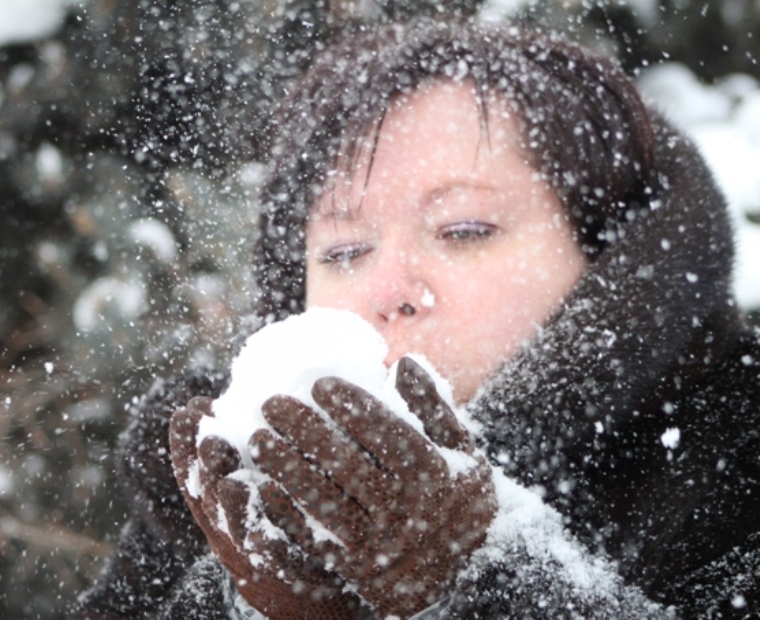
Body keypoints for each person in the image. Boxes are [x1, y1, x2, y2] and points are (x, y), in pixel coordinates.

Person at [72, 19, 760, 619]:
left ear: (604, 249)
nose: (389, 290)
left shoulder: (739, 453)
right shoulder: (220, 489)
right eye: (344, 249)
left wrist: (475, 585)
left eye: (462, 230)